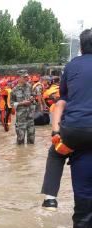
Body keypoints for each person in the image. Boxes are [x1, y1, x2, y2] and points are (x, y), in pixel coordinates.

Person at [41, 29, 92, 211]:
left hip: (74, 133)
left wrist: (55, 131)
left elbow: (61, 102)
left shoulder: (71, 66)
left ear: (81, 47)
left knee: (55, 152)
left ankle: (50, 198)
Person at [11, 70, 34, 145]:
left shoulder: (29, 86)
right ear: (19, 78)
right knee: (20, 141)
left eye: (27, 77)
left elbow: (33, 97)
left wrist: (32, 99)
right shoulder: (14, 90)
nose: (27, 78)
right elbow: (11, 104)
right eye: (25, 77)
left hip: (30, 117)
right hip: (21, 119)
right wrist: (22, 103)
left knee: (31, 141)